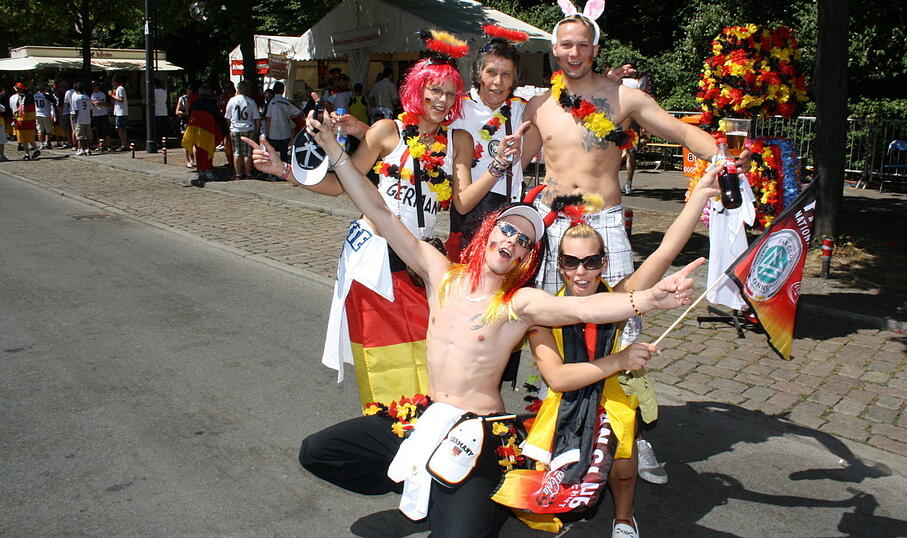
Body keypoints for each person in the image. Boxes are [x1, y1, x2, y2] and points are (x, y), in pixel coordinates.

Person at [281, 107, 703, 537]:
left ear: (525, 258)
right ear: (490, 233)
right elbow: (380, 211)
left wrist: (646, 299)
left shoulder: (518, 303)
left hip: (476, 432)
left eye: (524, 242)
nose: (514, 241)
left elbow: (583, 310)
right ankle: (414, 477)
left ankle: (490, 494)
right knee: (318, 451)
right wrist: (335, 152)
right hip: (424, 417)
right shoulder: (439, 272)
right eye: (508, 231)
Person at [243, 44, 513, 409]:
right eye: (435, 90)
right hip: (376, 257)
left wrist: (498, 165)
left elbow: (463, 202)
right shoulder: (387, 131)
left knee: (428, 349)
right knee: (384, 357)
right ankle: (388, 427)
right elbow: (342, 182)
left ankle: (425, 425)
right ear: (417, 90)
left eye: (450, 93)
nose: (443, 100)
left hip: (423, 260)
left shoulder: (459, 140)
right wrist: (284, 171)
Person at [514, 166, 722, 537]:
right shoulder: (541, 314)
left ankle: (624, 520)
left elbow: (664, 251)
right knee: (559, 464)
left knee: (622, 461)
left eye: (592, 262)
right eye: (571, 262)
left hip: (610, 390)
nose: (582, 272)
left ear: (603, 264)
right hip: (567, 395)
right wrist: (621, 360)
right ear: (559, 265)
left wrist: (701, 196)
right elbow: (558, 379)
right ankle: (568, 502)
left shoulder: (619, 296)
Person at [521, 3, 722, 295]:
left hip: (604, 220)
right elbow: (514, 163)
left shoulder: (625, 99)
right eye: (566, 45)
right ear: (555, 49)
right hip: (552, 222)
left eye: (582, 45)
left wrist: (723, 156)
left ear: (596, 49)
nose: (574, 53)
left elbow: (681, 132)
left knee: (618, 311)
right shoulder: (539, 106)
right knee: (548, 315)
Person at [446, 27, 529, 259]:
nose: (497, 81)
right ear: (479, 73)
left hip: (506, 210)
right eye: (491, 72)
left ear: (514, 80)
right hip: (467, 211)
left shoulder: (520, 108)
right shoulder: (456, 109)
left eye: (506, 75)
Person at [182, 84, 226, 188]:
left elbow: (189, 116)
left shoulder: (195, 104)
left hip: (197, 132)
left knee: (199, 151)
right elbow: (218, 118)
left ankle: (201, 170)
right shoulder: (212, 104)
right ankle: (208, 170)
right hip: (209, 132)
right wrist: (224, 130)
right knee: (209, 151)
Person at [223, 80, 260, 180]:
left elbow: (227, 117)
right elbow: (257, 118)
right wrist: (256, 131)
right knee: (248, 153)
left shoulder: (232, 100)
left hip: (235, 128)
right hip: (248, 128)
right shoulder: (251, 102)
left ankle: (238, 174)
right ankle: (248, 173)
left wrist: (228, 129)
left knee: (237, 152)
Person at [263, 81, 302, 166]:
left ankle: (274, 171)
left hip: (273, 132)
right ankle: (284, 171)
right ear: (282, 91)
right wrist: (289, 117)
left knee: (273, 153)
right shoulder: (286, 102)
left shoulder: (271, 102)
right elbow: (298, 111)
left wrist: (267, 132)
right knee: (284, 153)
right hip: (285, 131)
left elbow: (268, 118)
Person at [10, 82, 41, 160]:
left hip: (23, 120)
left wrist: (16, 112)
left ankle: (27, 154)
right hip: (29, 120)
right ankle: (35, 150)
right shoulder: (29, 96)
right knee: (29, 137)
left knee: (23, 138)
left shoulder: (22, 97)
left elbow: (22, 108)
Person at [175, 84, 198, 168]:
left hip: (194, 121)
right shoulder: (182, 99)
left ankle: (194, 160)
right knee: (186, 141)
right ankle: (188, 160)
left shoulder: (197, 98)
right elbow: (177, 111)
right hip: (185, 121)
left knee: (194, 142)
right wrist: (184, 113)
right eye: (189, 89)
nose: (190, 91)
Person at [70, 82, 93, 156]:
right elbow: (90, 109)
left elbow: (76, 110)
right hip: (87, 119)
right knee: (88, 136)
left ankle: (82, 149)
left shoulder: (76, 98)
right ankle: (88, 149)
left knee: (80, 136)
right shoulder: (87, 97)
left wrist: (75, 119)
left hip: (80, 119)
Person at [33, 82, 55, 150]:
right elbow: (54, 101)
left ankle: (41, 144)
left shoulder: (35, 95)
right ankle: (47, 142)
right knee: (48, 130)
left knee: (40, 130)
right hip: (46, 114)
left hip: (37, 114)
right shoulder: (46, 95)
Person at [109, 75, 128, 151]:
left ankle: (123, 144)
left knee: (119, 128)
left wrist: (112, 95)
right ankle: (124, 144)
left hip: (121, 112)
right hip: (119, 111)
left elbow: (121, 99)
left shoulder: (120, 88)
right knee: (121, 128)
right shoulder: (118, 89)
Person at [90, 81, 111, 151]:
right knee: (98, 131)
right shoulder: (91, 95)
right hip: (95, 115)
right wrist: (92, 103)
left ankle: (108, 145)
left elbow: (109, 103)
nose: (94, 87)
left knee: (106, 130)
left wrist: (101, 103)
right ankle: (100, 145)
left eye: (96, 86)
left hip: (103, 114)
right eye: (93, 86)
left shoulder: (103, 94)